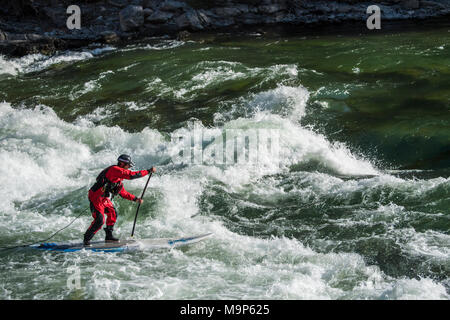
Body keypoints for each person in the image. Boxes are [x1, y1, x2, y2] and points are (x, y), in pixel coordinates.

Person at [83, 154, 156, 246]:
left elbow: (123, 193)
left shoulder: (118, 179)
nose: (129, 167)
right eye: (128, 165)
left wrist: (136, 199)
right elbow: (131, 175)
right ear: (121, 163)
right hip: (96, 198)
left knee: (113, 213)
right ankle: (86, 240)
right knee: (100, 221)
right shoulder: (115, 170)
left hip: (104, 199)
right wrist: (148, 171)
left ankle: (108, 237)